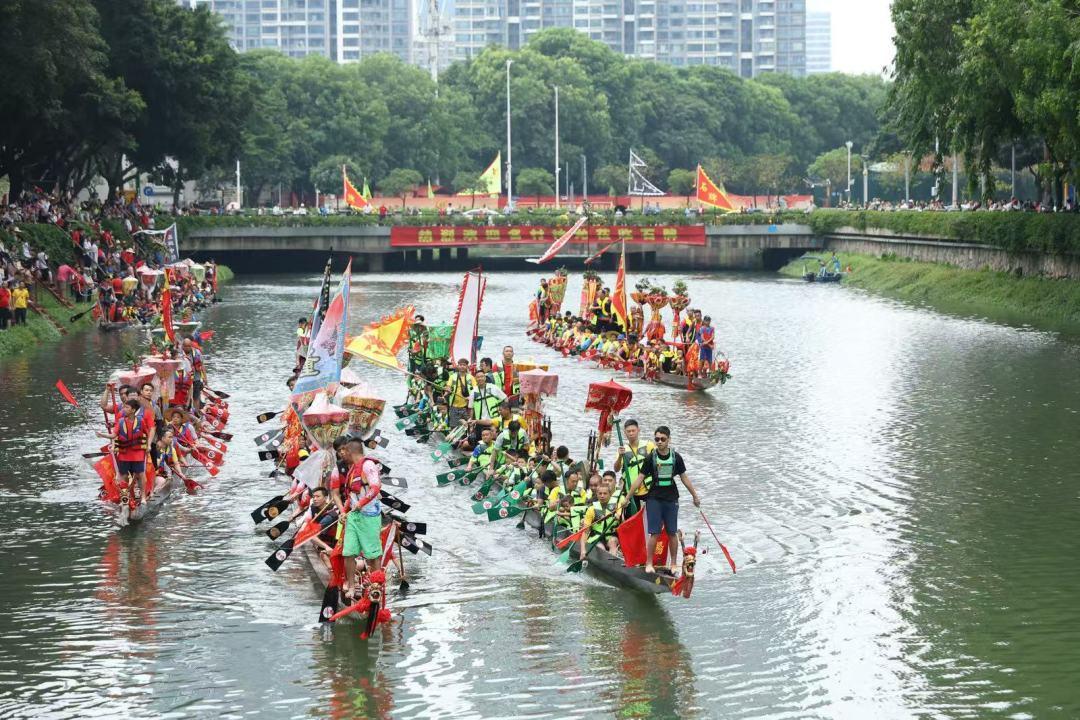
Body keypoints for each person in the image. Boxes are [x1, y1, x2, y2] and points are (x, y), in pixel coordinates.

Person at [627, 426, 701, 575]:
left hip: (671, 498)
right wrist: (628, 497)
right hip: (654, 498)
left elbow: (684, 477)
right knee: (654, 533)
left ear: (669, 440)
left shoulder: (676, 457)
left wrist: (695, 496)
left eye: (663, 439)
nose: (659, 442)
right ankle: (649, 563)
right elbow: (640, 478)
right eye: (657, 439)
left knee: (671, 532)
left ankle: (673, 564)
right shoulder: (650, 458)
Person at [337, 438, 383, 601]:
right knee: (348, 552)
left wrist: (362, 503)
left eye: (344, 452)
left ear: (351, 452)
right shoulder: (352, 469)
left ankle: (376, 587)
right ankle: (350, 586)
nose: (342, 456)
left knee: (372, 555)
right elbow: (352, 493)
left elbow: (376, 487)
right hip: (354, 516)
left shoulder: (368, 465)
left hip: (369, 516)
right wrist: (345, 510)